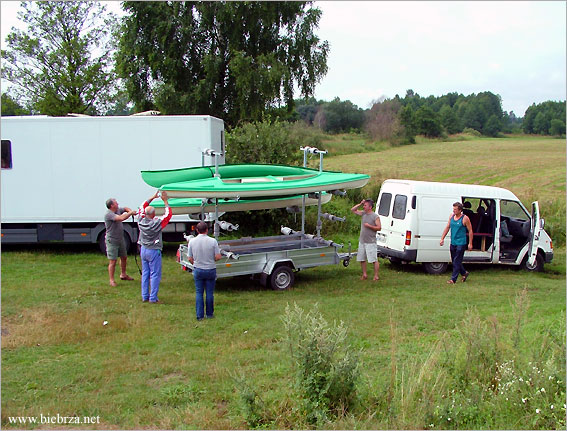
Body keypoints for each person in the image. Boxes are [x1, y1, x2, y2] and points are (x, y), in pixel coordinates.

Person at [136, 190, 172, 303]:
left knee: (145, 273)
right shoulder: (156, 223)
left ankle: (144, 296)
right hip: (153, 251)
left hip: (144, 249)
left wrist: (153, 197)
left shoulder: (140, 220)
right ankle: (153, 298)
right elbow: (168, 215)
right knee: (155, 274)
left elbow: (142, 205)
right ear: (154, 215)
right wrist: (165, 201)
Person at [187, 221, 222, 320]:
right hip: (210, 269)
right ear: (207, 230)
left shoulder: (192, 242)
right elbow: (218, 256)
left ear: (197, 230)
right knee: (209, 293)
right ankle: (210, 314)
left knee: (199, 292)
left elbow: (189, 258)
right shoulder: (212, 241)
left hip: (198, 269)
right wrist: (213, 259)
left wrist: (195, 263)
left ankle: (199, 315)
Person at [104, 198, 137, 287]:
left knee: (124, 257)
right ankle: (111, 280)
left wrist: (129, 210)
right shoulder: (109, 214)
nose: (118, 204)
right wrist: (131, 213)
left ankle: (123, 274)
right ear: (112, 206)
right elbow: (121, 218)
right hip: (112, 240)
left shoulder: (117, 210)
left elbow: (125, 208)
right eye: (116, 203)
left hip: (120, 239)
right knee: (113, 261)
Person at [440, 202, 474, 284]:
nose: (454, 211)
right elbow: (447, 227)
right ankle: (464, 273)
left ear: (460, 210)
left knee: (457, 260)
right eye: (453, 209)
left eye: (455, 209)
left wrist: (470, 243)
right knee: (455, 261)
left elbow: (470, 231)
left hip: (461, 243)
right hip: (453, 242)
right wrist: (442, 238)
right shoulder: (451, 216)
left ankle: (453, 279)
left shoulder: (465, 218)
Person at [351, 199, 381, 281]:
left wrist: (369, 226)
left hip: (370, 242)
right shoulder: (363, 213)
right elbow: (353, 210)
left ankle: (376, 275)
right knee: (362, 258)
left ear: (370, 207)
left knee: (373, 259)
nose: (364, 207)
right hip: (362, 241)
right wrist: (360, 203)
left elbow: (379, 227)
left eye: (365, 205)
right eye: (364, 205)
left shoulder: (375, 216)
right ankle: (364, 274)